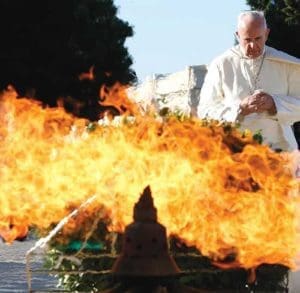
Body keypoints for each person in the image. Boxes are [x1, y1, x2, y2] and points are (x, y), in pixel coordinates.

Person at [197, 10, 300, 152]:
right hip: (237, 150)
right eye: (247, 40)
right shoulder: (221, 65)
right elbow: (205, 111)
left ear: (267, 34)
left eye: (258, 39)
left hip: (280, 151)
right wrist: (240, 109)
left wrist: (274, 104)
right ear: (237, 36)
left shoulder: (287, 64)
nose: (253, 46)